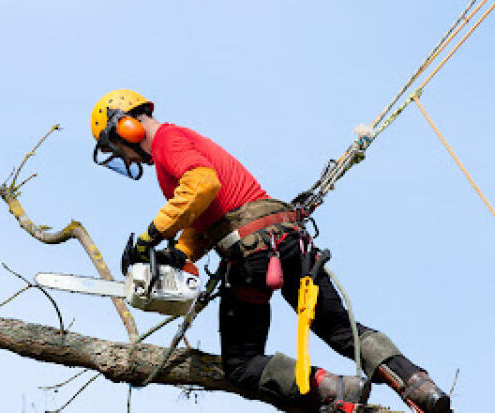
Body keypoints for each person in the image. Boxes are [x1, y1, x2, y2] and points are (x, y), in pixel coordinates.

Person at [89, 89, 451, 413]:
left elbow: (202, 185)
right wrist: (179, 253)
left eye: (116, 146)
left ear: (125, 128)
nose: (127, 157)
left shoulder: (168, 141)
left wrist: (148, 239)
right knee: (339, 328)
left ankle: (335, 389)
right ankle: (419, 387)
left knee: (242, 364)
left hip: (253, 255)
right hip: (289, 243)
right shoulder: (182, 143)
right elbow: (203, 218)